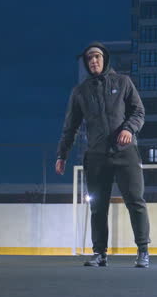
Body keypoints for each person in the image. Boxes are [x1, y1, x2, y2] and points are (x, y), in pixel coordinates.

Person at [55, 42, 150, 268]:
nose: (93, 61)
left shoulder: (123, 82)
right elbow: (71, 127)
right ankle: (100, 253)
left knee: (135, 201)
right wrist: (62, 154)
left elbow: (139, 111)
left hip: (125, 153)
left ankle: (143, 250)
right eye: (89, 59)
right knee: (98, 207)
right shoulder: (80, 92)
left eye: (97, 57)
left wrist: (128, 129)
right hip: (96, 156)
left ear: (105, 59)